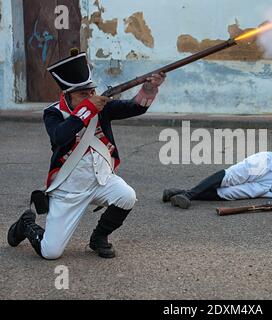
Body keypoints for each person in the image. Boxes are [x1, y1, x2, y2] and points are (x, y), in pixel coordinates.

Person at [7, 49, 166, 259]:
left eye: (91, 92)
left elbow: (133, 108)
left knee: (127, 196)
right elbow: (60, 137)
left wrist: (148, 89)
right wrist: (87, 109)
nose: (91, 97)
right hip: (69, 189)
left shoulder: (102, 107)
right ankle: (26, 224)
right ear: (67, 95)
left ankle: (98, 238)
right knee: (50, 252)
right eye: (83, 94)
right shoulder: (53, 113)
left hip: (101, 180)